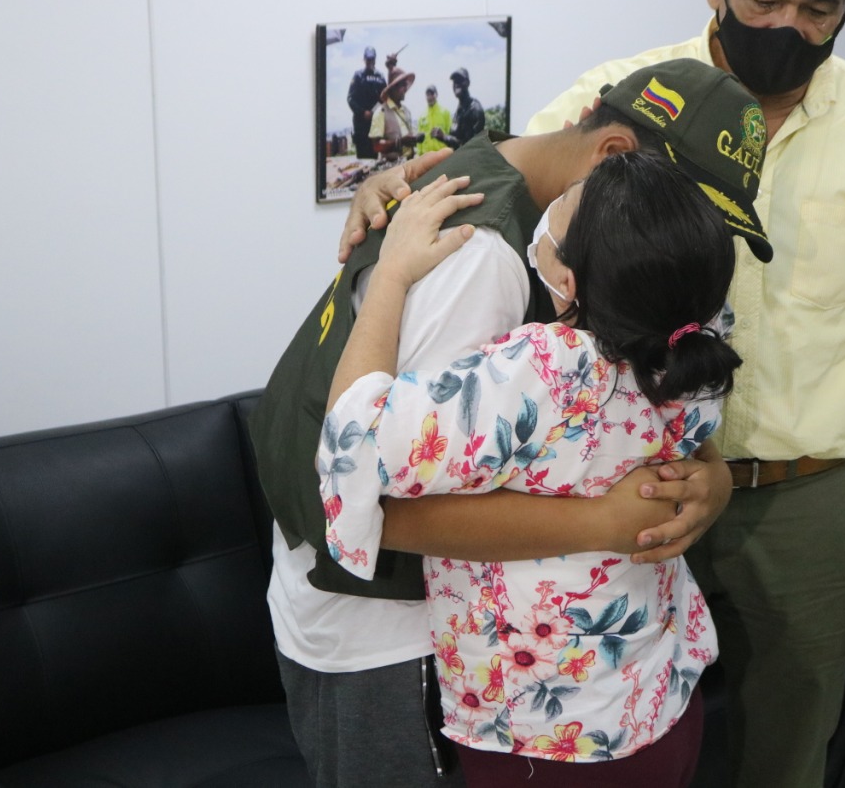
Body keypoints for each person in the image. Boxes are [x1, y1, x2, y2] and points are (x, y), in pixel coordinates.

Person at [249, 58, 770, 787]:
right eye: (677, 205)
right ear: (615, 163)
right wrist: (605, 523)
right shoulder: (487, 266)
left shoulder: (515, 183)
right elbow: (379, 493)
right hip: (391, 638)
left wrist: (708, 475)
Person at [519, 0, 845, 785]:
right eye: (763, 0)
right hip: (632, 487)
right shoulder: (625, 99)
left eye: (819, 8)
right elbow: (514, 184)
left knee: (790, 758)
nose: (788, 27)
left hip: (810, 497)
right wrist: (409, 183)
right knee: (624, 752)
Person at [369, 68, 421, 163]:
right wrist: (400, 142)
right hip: (392, 166)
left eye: (406, 85)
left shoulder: (406, 111)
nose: (405, 89)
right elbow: (376, 146)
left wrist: (414, 139)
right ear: (393, 88)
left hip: (410, 162)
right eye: (403, 85)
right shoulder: (381, 112)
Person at [432, 67, 485, 149]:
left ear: (468, 83)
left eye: (460, 80)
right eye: (454, 81)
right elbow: (457, 138)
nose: (456, 84)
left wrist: (445, 137)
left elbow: (470, 148)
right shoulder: (459, 109)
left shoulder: (475, 110)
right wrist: (442, 136)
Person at [347, 46, 386, 159]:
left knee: (375, 161)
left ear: (375, 60)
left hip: (376, 124)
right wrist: (362, 112)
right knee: (363, 161)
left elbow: (386, 96)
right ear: (364, 59)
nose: (370, 62)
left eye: (372, 59)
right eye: (368, 59)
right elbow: (350, 98)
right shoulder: (358, 75)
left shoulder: (381, 76)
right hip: (361, 125)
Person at [418, 84, 452, 155]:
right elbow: (419, 138)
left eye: (432, 94)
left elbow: (450, 133)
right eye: (428, 95)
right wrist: (419, 154)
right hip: (426, 156)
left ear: (436, 95)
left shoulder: (445, 112)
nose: (430, 97)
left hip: (442, 155)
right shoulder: (422, 116)